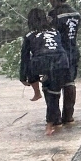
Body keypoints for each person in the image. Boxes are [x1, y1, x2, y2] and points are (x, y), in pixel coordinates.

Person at [20, 7, 72, 136]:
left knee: (32, 67)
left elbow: (24, 58)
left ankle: (37, 92)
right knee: (53, 93)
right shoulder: (55, 32)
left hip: (42, 63)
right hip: (62, 62)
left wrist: (22, 77)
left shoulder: (29, 35)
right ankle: (50, 124)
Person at [48, 0, 81, 124]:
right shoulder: (76, 13)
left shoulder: (54, 14)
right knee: (69, 83)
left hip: (58, 54)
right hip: (73, 51)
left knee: (54, 86)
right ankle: (68, 115)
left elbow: (50, 33)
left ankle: (55, 118)